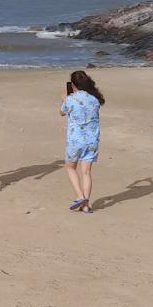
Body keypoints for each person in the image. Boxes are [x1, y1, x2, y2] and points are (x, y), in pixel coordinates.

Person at [60, 69, 105, 213]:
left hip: (75, 140)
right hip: (92, 140)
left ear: (73, 85)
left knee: (70, 167)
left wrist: (64, 98)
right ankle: (86, 205)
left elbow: (62, 112)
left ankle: (80, 197)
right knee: (86, 172)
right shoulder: (94, 99)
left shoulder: (70, 99)